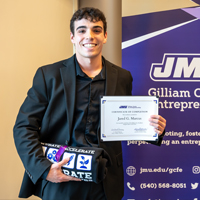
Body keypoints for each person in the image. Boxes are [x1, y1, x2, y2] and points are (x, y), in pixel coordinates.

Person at [13, 7, 166, 200]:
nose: (89, 36)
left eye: (96, 30)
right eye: (82, 30)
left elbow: (126, 123)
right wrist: (44, 169)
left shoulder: (122, 77)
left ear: (105, 36)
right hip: (62, 177)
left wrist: (154, 130)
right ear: (72, 37)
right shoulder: (48, 76)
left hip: (105, 181)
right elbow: (23, 127)